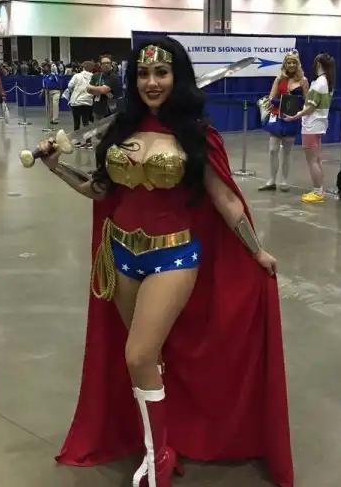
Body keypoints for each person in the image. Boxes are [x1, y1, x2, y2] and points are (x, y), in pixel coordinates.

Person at [36, 37, 293, 487]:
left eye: (161, 72)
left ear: (177, 77)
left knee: (137, 354)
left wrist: (256, 250)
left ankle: (157, 460)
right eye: (143, 73)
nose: (151, 82)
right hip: (121, 255)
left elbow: (226, 200)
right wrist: (56, 166)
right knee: (148, 356)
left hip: (174, 255)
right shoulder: (120, 129)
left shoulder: (195, 134)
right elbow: (100, 191)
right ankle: (161, 439)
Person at [283, 52, 335, 203]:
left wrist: (295, 116)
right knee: (316, 159)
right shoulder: (326, 82)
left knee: (312, 160)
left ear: (319, 64)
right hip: (318, 125)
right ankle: (319, 189)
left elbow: (311, 107)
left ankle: (317, 191)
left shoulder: (319, 83)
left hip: (312, 126)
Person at [260, 50, 308, 192]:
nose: (291, 65)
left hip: (292, 119)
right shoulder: (279, 79)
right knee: (272, 150)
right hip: (277, 117)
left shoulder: (303, 81)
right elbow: (271, 98)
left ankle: (284, 181)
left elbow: (307, 101)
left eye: (294, 62)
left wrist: (297, 106)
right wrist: (279, 102)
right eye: (289, 62)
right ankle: (272, 180)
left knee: (287, 152)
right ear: (285, 64)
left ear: (298, 64)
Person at [67, 60, 95, 149]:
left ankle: (77, 141)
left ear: (83, 67)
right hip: (87, 102)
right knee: (86, 122)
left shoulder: (77, 76)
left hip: (76, 101)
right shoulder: (94, 77)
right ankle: (89, 142)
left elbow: (70, 86)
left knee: (77, 123)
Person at [88, 54, 122, 118]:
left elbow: (102, 90)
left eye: (108, 63)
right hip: (97, 109)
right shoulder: (95, 76)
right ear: (100, 65)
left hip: (110, 111)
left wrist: (96, 90)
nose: (106, 65)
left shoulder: (113, 77)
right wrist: (101, 91)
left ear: (111, 64)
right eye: (104, 63)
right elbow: (88, 89)